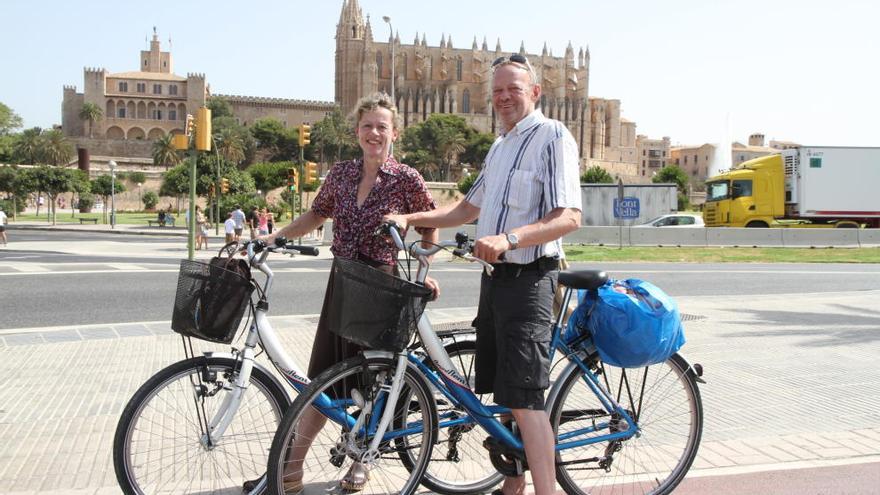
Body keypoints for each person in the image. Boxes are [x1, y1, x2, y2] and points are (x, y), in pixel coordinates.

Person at [385, 54, 582, 495]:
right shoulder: (499, 147)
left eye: (513, 88)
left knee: (527, 400)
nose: (504, 97)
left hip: (532, 276)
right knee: (505, 394)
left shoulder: (553, 136)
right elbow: (466, 208)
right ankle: (512, 488)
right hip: (495, 281)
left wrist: (511, 239)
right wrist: (409, 216)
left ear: (534, 92)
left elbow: (569, 216)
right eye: (497, 91)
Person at [253, 92, 439, 493]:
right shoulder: (341, 174)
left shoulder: (407, 178)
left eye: (382, 127)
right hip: (342, 283)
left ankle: (361, 465)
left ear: (395, 134)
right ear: (357, 131)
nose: (374, 133)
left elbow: (429, 221)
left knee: (372, 385)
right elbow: (317, 213)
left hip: (381, 285)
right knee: (321, 380)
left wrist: (424, 268)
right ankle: (291, 470)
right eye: (368, 125)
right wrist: (276, 236)